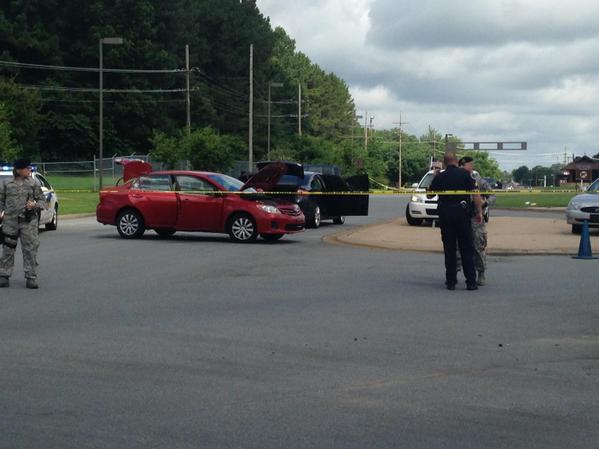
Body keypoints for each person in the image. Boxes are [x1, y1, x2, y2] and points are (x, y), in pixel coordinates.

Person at [430, 152, 483, 290]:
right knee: (466, 248)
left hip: (446, 215)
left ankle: (451, 282)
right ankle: (471, 282)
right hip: (462, 214)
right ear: (456, 160)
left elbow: (430, 195)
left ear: (444, 162)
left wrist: (435, 177)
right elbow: (475, 194)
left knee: (449, 249)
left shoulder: (440, 176)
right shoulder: (465, 174)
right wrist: (479, 211)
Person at [0, 158, 47, 289]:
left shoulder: (33, 183)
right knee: (8, 249)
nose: (29, 170)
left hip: (28, 222)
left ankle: (31, 277)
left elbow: (43, 202)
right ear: (19, 170)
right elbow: (1, 201)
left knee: (30, 250)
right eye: (27, 168)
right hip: (10, 222)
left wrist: (35, 205)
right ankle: (4, 275)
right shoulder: (6, 184)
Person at [457, 156, 494, 286]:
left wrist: (485, 202)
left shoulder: (478, 179)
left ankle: (481, 272)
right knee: (457, 245)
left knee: (478, 245)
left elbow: (492, 194)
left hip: (475, 217)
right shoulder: (456, 178)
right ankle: (455, 271)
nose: (472, 167)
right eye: (470, 164)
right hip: (460, 216)